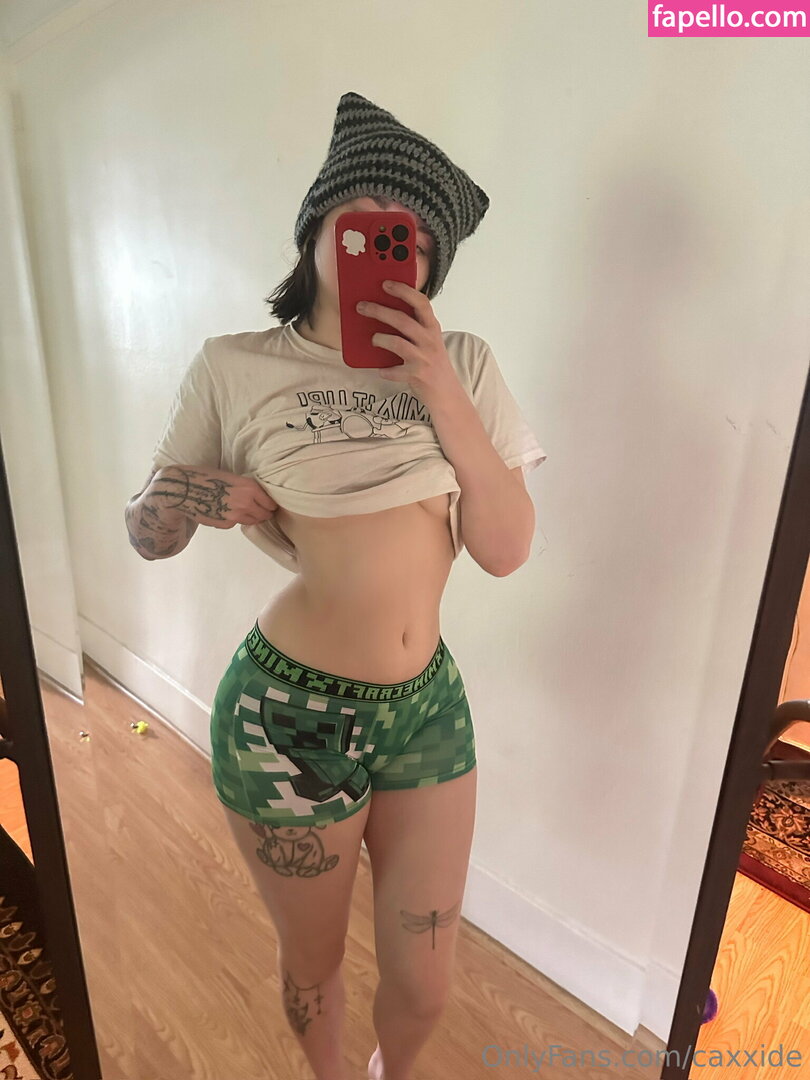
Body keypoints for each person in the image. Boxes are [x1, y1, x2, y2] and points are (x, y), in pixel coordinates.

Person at [128, 91, 546, 1080]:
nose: (383, 239)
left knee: (426, 984)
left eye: (408, 235)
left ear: (430, 264)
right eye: (361, 215)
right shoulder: (236, 366)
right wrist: (191, 492)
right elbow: (147, 534)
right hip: (287, 716)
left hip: (427, 706)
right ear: (315, 225)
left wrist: (438, 386)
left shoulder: (467, 364)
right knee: (313, 964)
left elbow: (505, 549)